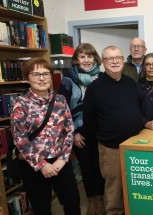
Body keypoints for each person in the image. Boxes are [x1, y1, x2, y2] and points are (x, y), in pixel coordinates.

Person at [11, 58, 80, 215]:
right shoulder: (20, 103)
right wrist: (42, 165)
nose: (41, 78)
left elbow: (69, 130)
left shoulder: (60, 100)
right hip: (34, 166)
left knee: (73, 202)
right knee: (42, 208)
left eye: (45, 74)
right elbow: (20, 140)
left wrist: (62, 159)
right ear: (27, 78)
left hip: (60, 162)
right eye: (36, 74)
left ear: (51, 77)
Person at [83, 45, 143, 215]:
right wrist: (105, 135)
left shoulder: (130, 83)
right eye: (110, 58)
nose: (115, 61)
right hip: (111, 148)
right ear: (103, 62)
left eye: (118, 57)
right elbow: (89, 120)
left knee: (135, 188)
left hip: (135, 146)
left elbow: (137, 108)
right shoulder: (95, 88)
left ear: (123, 60)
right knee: (114, 192)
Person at [58, 43, 105, 215]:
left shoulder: (101, 77)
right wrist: (74, 133)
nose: (86, 60)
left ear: (95, 58)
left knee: (100, 168)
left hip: (100, 131)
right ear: (77, 60)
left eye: (90, 56)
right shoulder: (68, 80)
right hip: (79, 133)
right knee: (86, 168)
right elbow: (61, 110)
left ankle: (101, 201)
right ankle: (92, 201)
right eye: (82, 56)